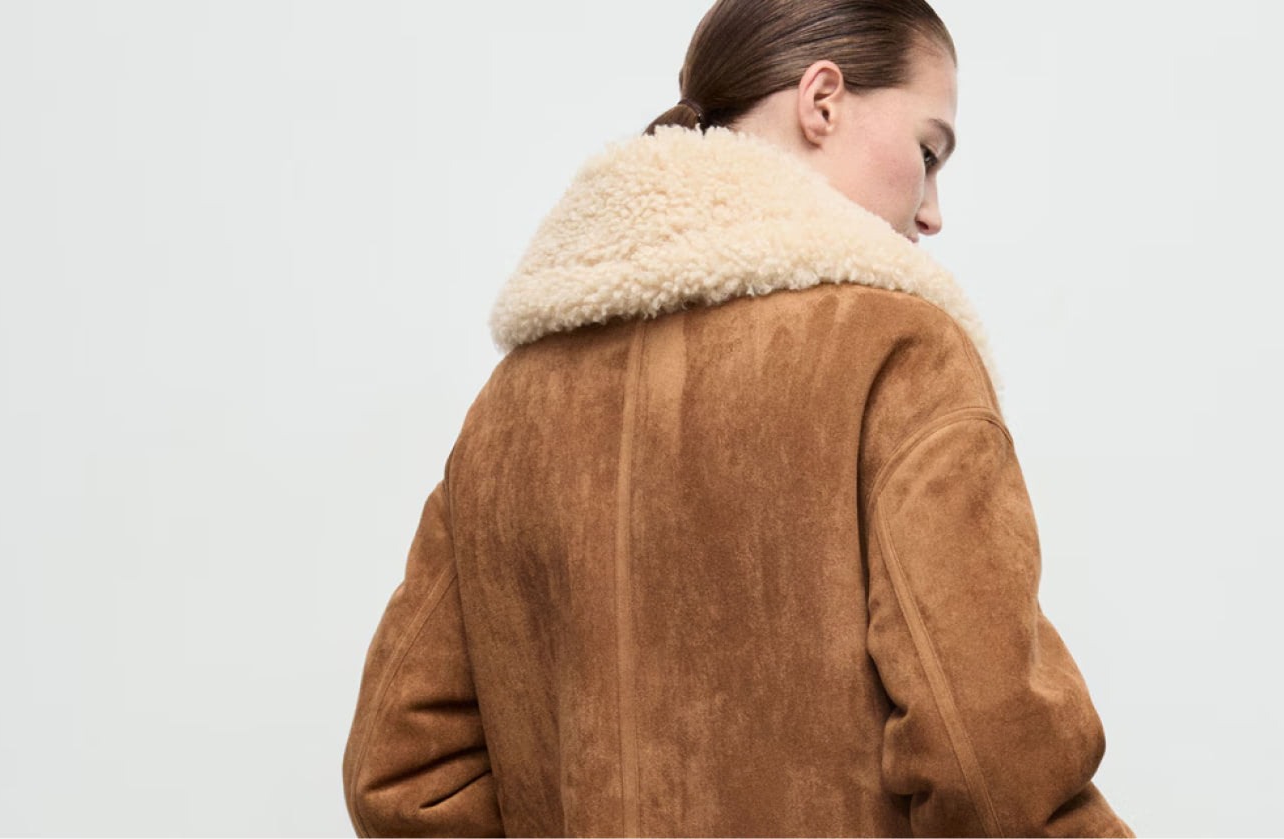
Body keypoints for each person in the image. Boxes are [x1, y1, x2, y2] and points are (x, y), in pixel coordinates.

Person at [340, 1, 1133, 835]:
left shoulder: (512, 403)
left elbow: (402, 771)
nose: (932, 210)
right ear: (822, 101)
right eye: (928, 152)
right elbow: (989, 759)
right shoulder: (899, 354)